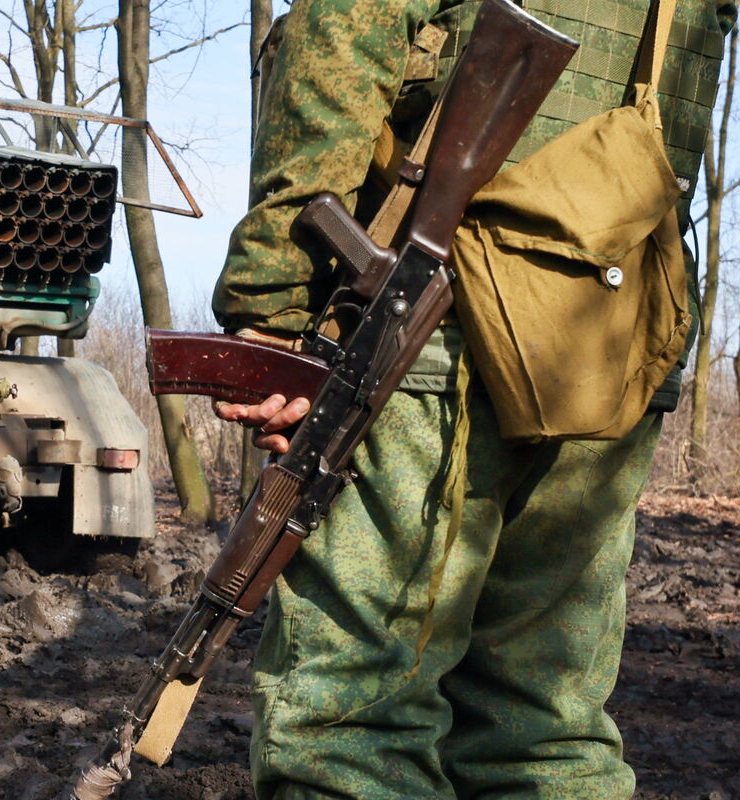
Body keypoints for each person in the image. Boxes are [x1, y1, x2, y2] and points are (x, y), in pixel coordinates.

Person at [211, 1, 735, 797]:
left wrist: (272, 301)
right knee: (544, 728)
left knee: (352, 722)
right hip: (614, 331)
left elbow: (342, 36)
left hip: (429, 321)